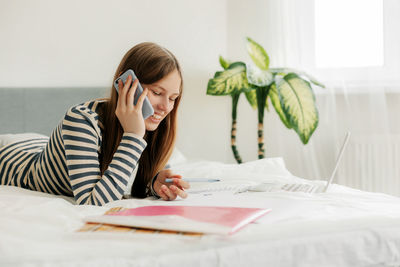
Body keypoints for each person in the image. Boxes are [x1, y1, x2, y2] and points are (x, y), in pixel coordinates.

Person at [0, 42, 189, 205]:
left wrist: (154, 184)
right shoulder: (81, 119)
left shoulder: (150, 123)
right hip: (13, 160)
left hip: (41, 145)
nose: (165, 107)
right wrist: (133, 136)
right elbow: (92, 203)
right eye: (157, 93)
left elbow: (134, 181)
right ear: (127, 84)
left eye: (173, 98)